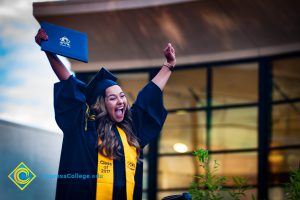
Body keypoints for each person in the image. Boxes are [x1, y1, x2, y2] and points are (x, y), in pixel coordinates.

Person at [35, 28, 176, 200]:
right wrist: (49, 50)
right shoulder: (84, 127)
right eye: (112, 98)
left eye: (122, 96)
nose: (120, 101)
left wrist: (168, 65)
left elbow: (149, 95)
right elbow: (69, 82)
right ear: (102, 104)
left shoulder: (131, 131)